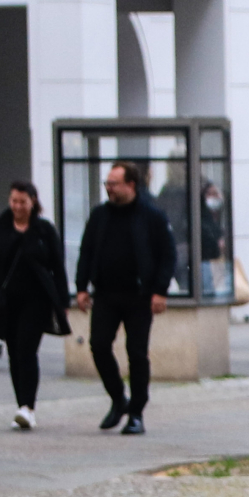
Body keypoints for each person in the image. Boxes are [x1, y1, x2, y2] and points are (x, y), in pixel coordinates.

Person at [73, 160, 174, 435]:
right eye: (107, 184)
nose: (109, 189)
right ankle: (119, 398)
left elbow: (167, 255)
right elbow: (86, 251)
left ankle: (137, 412)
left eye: (114, 184)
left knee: (137, 353)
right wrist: (81, 287)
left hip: (139, 296)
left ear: (131, 185)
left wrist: (160, 290)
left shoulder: (151, 216)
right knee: (99, 345)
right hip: (105, 294)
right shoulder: (99, 215)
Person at [0, 180, 69, 430]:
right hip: (7, 301)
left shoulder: (45, 230)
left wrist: (63, 300)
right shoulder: (0, 227)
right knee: (15, 352)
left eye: (23, 202)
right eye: (14, 201)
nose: (18, 206)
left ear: (33, 202)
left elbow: (58, 266)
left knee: (27, 350)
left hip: (37, 300)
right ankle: (22, 404)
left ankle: (28, 407)